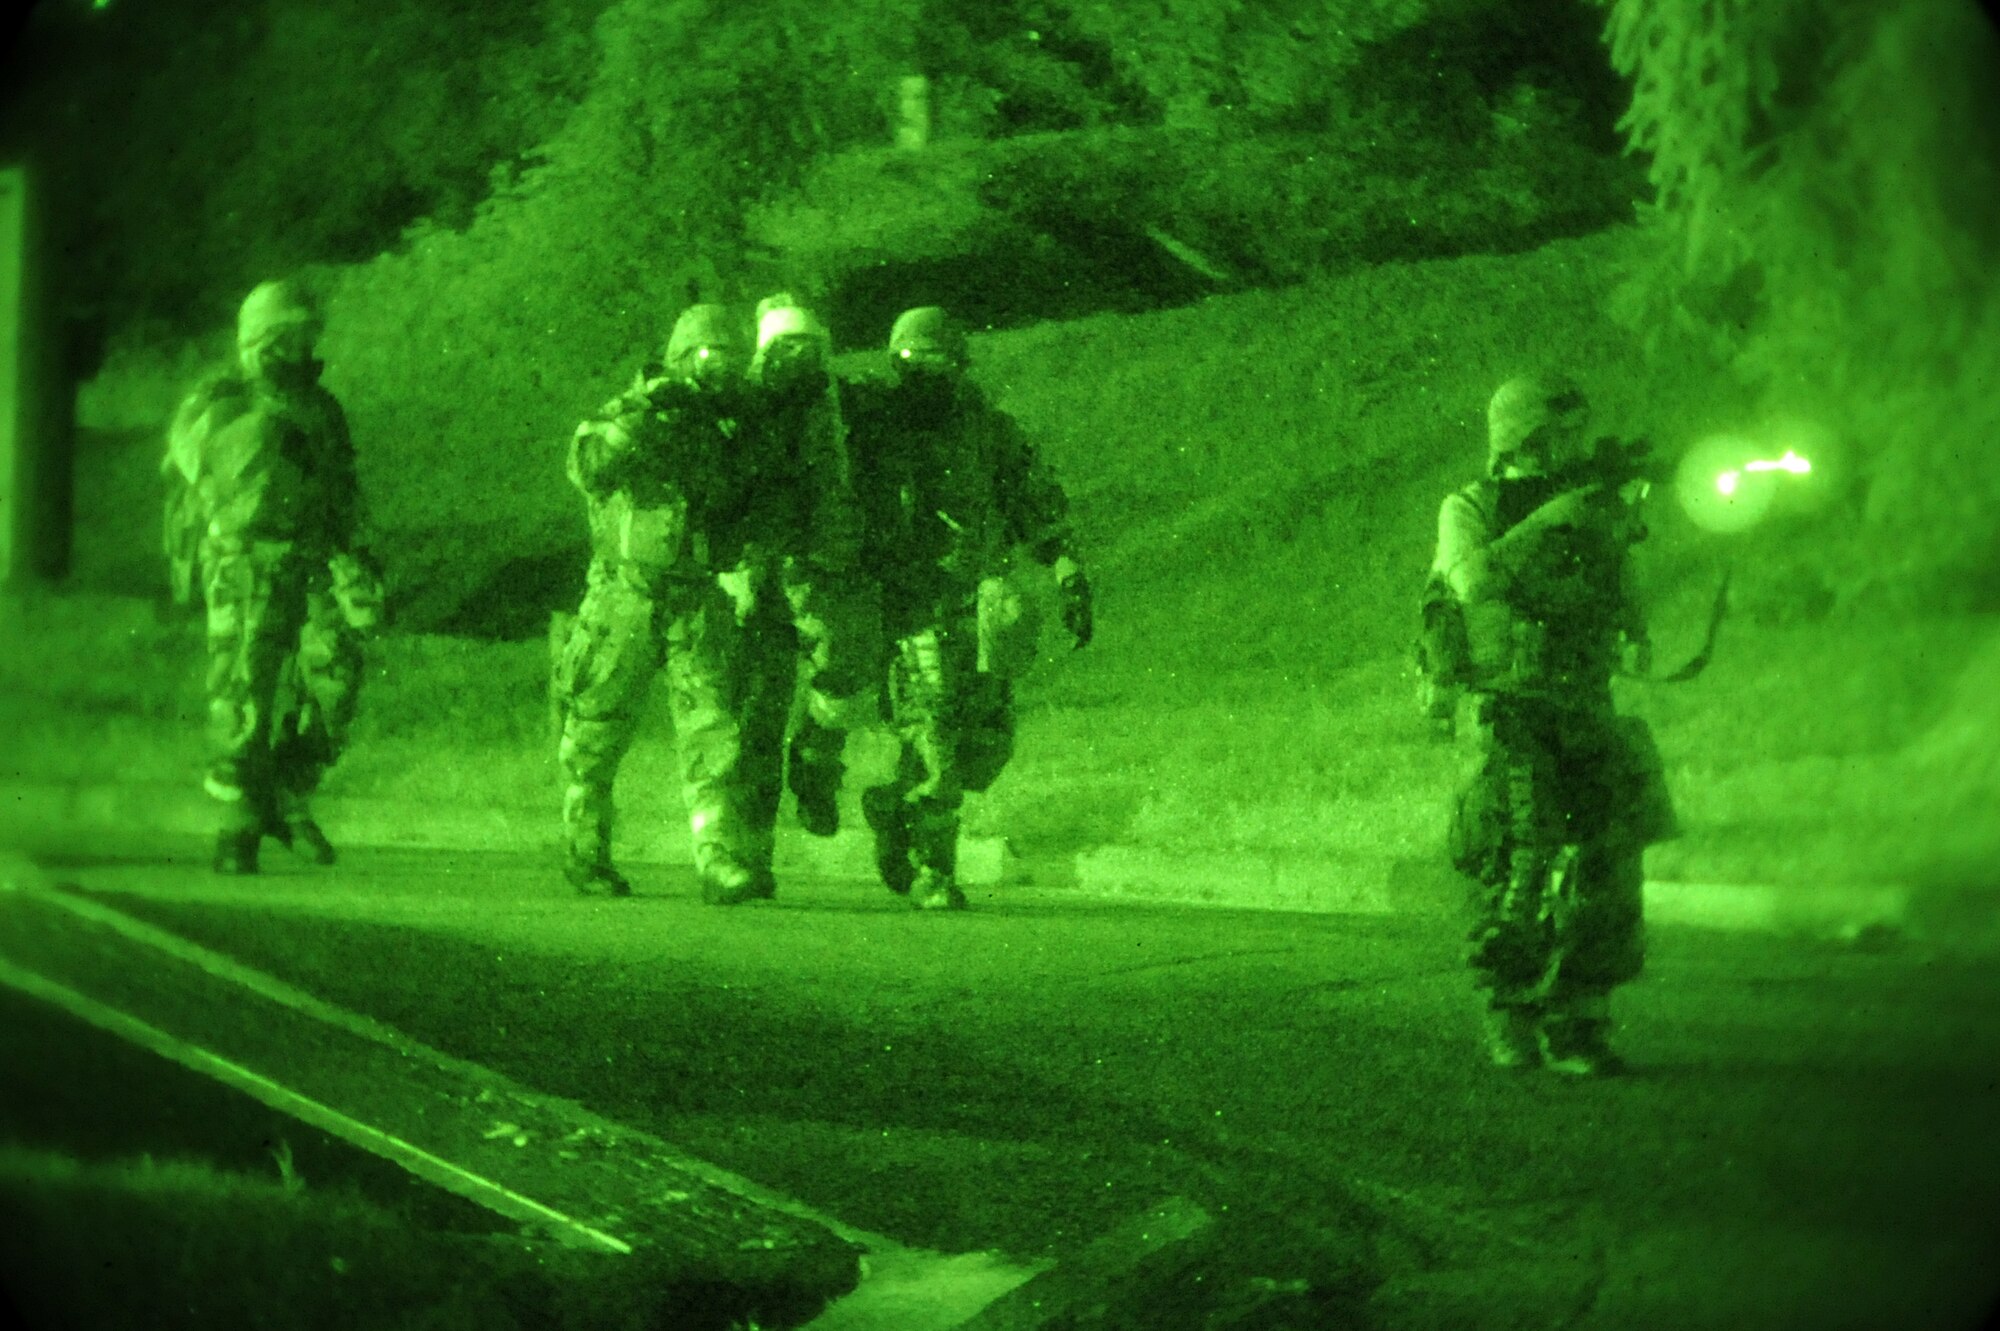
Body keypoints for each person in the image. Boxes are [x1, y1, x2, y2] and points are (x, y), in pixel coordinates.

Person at [795, 306, 1091, 909]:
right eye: (913, 358)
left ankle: (892, 810)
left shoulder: (988, 430)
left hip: (973, 604)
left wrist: (1067, 572)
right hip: (904, 602)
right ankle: (934, 869)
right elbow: (808, 414)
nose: (927, 372)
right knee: (935, 736)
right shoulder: (868, 418)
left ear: (960, 363)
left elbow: (1033, 499)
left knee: (987, 745)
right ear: (894, 360)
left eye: (940, 359)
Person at [1426, 373, 1676, 1075]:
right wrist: (1552, 519)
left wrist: (1633, 619)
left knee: (1610, 855)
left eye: (1576, 432)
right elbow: (1472, 581)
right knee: (1517, 858)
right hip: (1513, 705)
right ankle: (1509, 1010)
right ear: (1523, 437)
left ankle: (1579, 1019)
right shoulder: (1469, 507)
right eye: (1560, 433)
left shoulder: (1587, 501)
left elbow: (1618, 579)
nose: (1573, 444)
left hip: (1585, 699)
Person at [163, 279, 382, 875]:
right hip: (244, 566)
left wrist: (357, 553)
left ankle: (286, 791)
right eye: (289, 337)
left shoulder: (322, 407)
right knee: (245, 691)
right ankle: (240, 823)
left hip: (313, 560)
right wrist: (262, 432)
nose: (302, 348)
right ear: (261, 340)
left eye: (307, 336)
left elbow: (343, 486)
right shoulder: (221, 400)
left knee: (336, 675)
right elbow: (200, 477)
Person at [553, 303, 767, 901]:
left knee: (712, 732)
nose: (720, 369)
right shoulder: (630, 411)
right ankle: (585, 851)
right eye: (710, 356)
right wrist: (643, 413)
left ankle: (717, 859)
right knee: (595, 733)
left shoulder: (727, 428)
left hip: (694, 600)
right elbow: (588, 469)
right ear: (680, 358)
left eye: (732, 358)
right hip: (624, 597)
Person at [719, 294, 880, 903]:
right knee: (757, 718)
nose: (797, 357)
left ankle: (816, 763)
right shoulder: (740, 404)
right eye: (784, 346)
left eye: (807, 346)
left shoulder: (842, 405)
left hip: (822, 568)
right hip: (760, 577)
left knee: (846, 673)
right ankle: (751, 852)